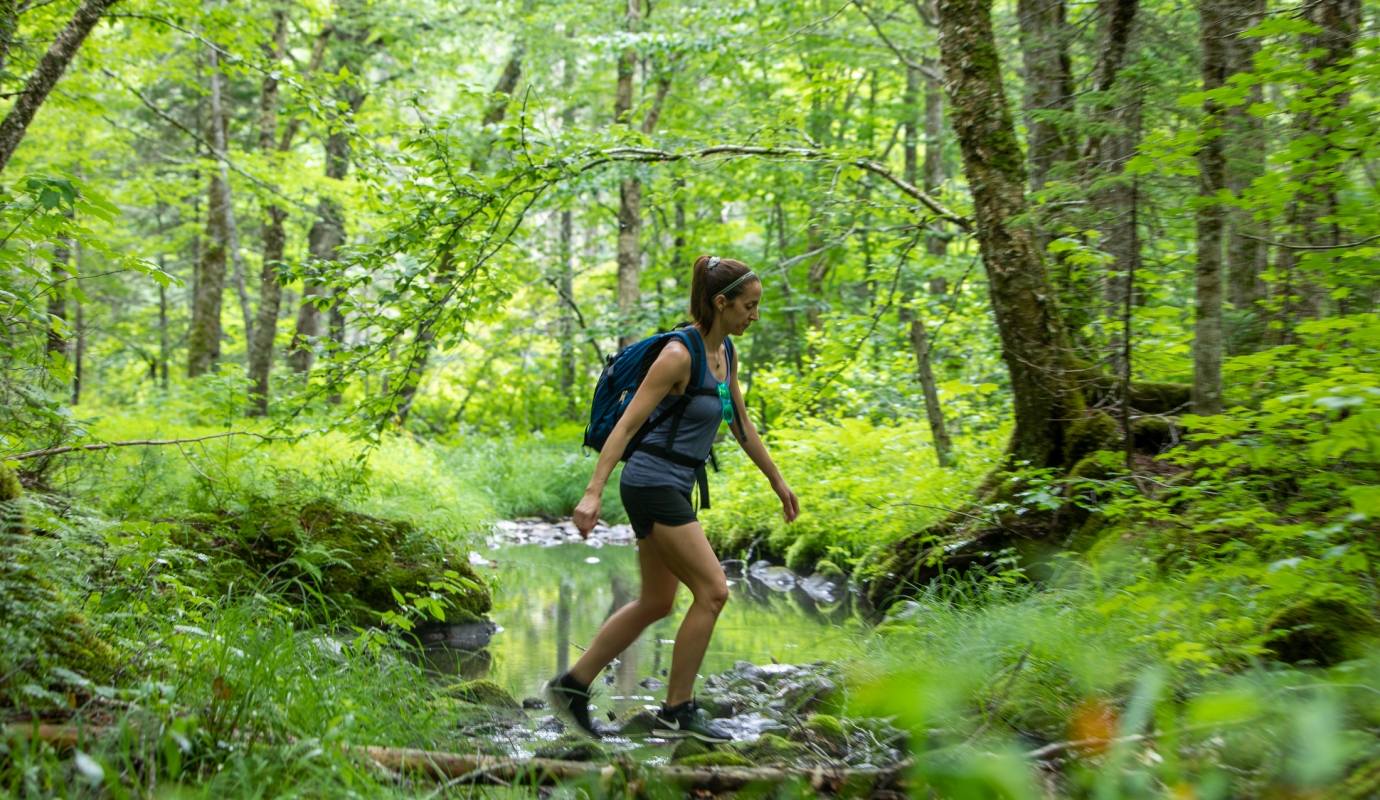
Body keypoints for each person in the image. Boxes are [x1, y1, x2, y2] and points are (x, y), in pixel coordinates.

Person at [544, 255, 800, 743]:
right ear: (720, 303)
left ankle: (571, 687)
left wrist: (778, 481)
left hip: (673, 484)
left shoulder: (726, 352)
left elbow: (741, 425)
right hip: (651, 484)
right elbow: (628, 425)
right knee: (714, 591)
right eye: (749, 306)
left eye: (758, 306)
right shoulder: (679, 355)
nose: (755, 315)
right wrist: (592, 492)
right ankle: (677, 710)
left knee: (658, 601)